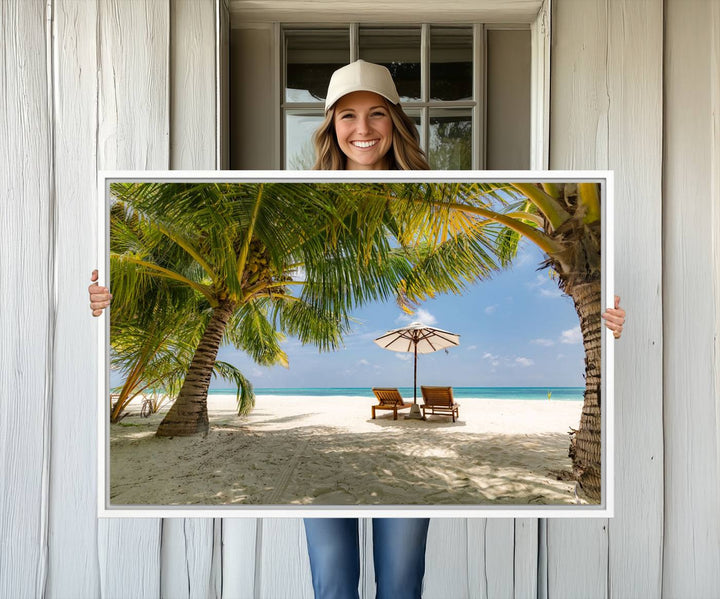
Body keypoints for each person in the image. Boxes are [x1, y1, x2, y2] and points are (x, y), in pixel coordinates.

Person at [88, 60, 627, 599]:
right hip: (322, 476)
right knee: (333, 585)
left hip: (409, 475)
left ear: (395, 121)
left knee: (400, 583)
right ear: (330, 126)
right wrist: (105, 300)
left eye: (376, 114)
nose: (363, 129)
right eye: (347, 115)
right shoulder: (293, 200)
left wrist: (607, 316)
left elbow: (592, 302)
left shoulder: (440, 195)